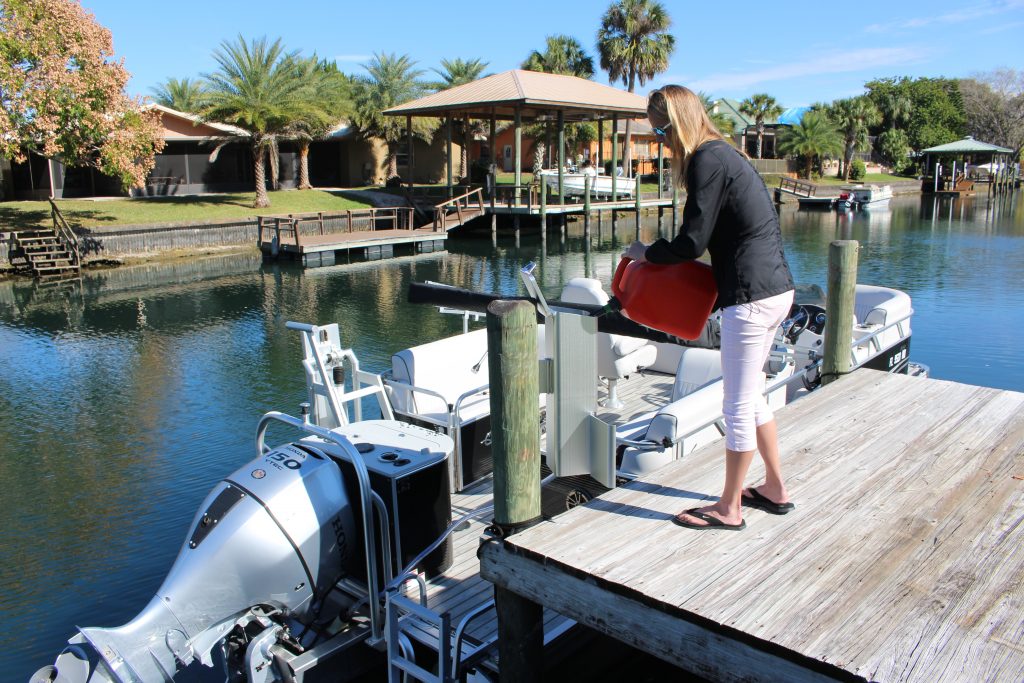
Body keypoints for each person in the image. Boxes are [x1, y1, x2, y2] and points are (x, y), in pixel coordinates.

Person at [624, 85, 796, 530]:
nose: (661, 141)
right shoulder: (725, 154)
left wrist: (648, 253)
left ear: (677, 122)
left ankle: (729, 508)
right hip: (776, 289)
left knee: (737, 403)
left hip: (751, 297)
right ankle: (775, 488)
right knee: (754, 395)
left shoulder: (706, 159)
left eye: (660, 131)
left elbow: (691, 243)